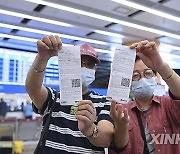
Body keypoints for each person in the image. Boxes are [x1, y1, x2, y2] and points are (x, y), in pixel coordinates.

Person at [25, 35, 114, 154]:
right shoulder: (54, 98)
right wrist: (41, 59)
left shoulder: (104, 102)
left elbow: (106, 139)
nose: (84, 67)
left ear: (95, 70)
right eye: (79, 62)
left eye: (89, 65)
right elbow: (33, 88)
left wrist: (89, 128)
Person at [109, 40, 180, 154]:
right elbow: (120, 149)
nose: (142, 79)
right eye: (136, 76)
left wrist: (161, 67)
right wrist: (121, 126)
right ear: (129, 82)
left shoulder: (168, 104)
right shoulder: (122, 110)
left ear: (155, 76)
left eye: (148, 73)